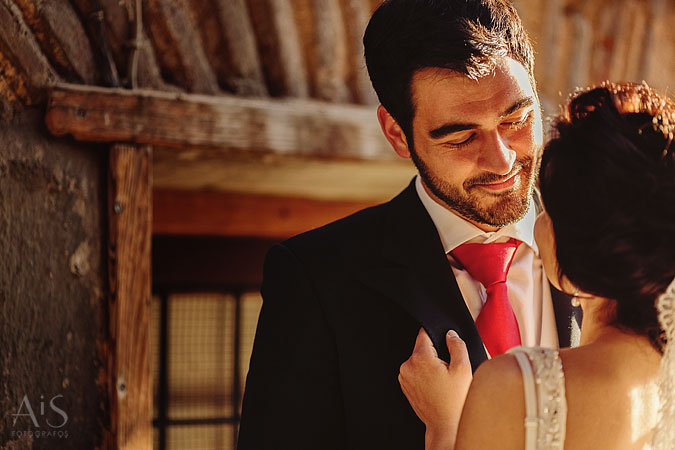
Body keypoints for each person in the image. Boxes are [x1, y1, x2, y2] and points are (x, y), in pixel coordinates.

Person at [237, 1, 580, 449]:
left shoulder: (609, 246)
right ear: (397, 133)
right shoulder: (316, 278)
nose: (503, 159)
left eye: (517, 119)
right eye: (461, 137)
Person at [399, 82, 675, 450]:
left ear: (580, 250)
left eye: (551, 208)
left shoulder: (516, 384)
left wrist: (445, 426)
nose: (538, 218)